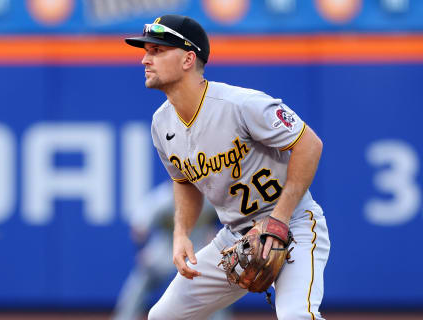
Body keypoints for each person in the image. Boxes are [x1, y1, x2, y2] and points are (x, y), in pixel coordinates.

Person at [124, 14, 330, 320]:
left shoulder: (239, 104)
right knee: (162, 317)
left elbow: (309, 144)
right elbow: (183, 182)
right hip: (234, 238)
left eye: (157, 51)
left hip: (294, 225)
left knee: (297, 316)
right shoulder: (161, 124)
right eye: (146, 51)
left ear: (188, 59)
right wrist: (182, 234)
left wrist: (280, 220)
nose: (145, 59)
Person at [112, 181, 231, 320]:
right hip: (166, 247)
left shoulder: (206, 195)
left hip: (198, 247)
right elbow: (139, 228)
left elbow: (223, 217)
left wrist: (213, 232)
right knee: (142, 278)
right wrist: (141, 250)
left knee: (215, 284)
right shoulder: (163, 198)